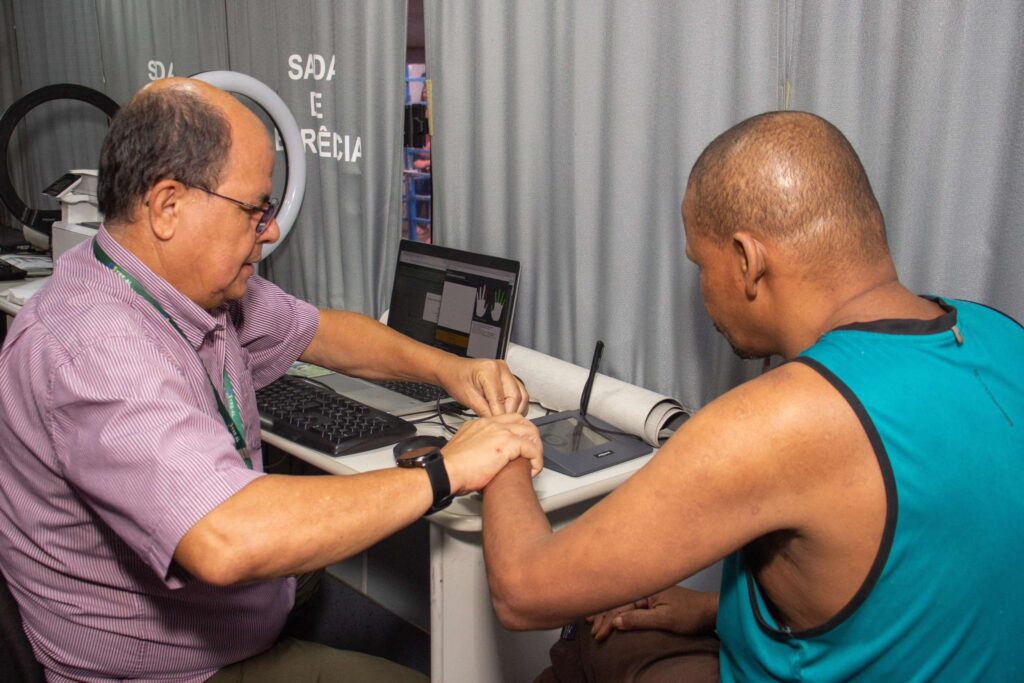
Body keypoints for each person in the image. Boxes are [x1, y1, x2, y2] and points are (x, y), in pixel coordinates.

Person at [0, 77, 541, 682]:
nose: (272, 228)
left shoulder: (176, 284)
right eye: (254, 208)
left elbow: (322, 333)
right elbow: (225, 539)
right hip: (170, 670)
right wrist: (446, 470)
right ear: (168, 206)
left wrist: (452, 369)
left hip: (226, 606)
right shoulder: (95, 348)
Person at [481, 111, 1024, 681]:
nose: (702, 288)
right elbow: (923, 592)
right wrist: (714, 611)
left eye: (700, 264)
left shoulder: (785, 416)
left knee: (578, 650)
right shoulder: (1000, 335)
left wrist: (503, 439)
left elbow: (522, 589)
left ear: (746, 260)